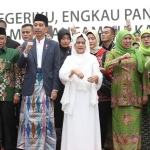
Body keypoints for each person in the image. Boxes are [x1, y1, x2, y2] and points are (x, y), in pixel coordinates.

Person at [17, 14, 60, 150]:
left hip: (46, 86)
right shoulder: (26, 44)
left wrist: (55, 88)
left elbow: (56, 67)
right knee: (29, 118)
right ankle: (30, 146)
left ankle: (46, 146)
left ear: (46, 28)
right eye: (35, 25)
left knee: (46, 118)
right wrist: (25, 52)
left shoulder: (53, 45)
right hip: (31, 85)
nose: (37, 27)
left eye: (41, 25)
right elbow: (20, 65)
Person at [104, 30, 149, 150]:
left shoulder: (137, 53)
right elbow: (107, 66)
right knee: (119, 127)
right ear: (119, 40)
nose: (128, 41)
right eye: (125, 38)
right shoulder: (113, 52)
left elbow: (144, 74)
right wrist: (121, 57)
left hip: (135, 96)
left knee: (134, 127)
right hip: (118, 97)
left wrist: (145, 93)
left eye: (130, 38)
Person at [59, 33, 102, 150]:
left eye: (83, 42)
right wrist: (73, 70)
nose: (80, 45)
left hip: (88, 99)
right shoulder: (69, 59)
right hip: (74, 98)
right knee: (74, 126)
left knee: (88, 126)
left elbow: (98, 73)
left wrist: (96, 78)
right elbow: (62, 75)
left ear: (86, 44)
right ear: (74, 44)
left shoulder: (92, 58)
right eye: (78, 42)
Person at [86, 30, 113, 150]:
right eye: (88, 39)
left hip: (102, 96)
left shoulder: (106, 53)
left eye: (93, 38)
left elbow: (111, 72)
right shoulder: (82, 54)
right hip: (86, 95)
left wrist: (98, 70)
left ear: (97, 39)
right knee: (88, 125)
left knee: (102, 125)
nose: (90, 41)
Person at [0, 27, 22, 150]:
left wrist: (17, 93)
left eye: (2, 38)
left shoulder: (13, 53)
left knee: (8, 125)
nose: (0, 41)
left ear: (6, 39)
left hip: (7, 95)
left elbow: (18, 74)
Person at [54, 28, 71, 150]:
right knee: (58, 115)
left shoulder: (73, 52)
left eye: (68, 38)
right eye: (63, 38)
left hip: (70, 89)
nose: (65, 41)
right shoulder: (55, 52)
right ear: (59, 39)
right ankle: (59, 144)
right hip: (58, 90)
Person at [138, 29, 150, 150]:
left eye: (148, 36)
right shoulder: (138, 53)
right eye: (144, 37)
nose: (146, 39)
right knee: (146, 121)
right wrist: (144, 93)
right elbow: (141, 74)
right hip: (145, 91)